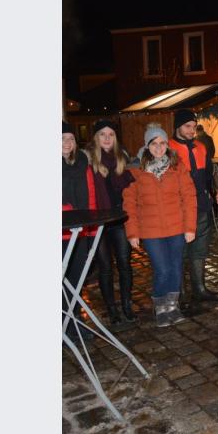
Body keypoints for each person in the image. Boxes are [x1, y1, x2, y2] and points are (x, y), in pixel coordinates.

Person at [123, 124, 197, 327]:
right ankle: (160, 306)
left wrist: (190, 227)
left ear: (167, 144)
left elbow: (189, 197)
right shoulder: (135, 170)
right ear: (147, 146)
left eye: (162, 142)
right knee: (162, 269)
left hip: (176, 227)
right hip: (151, 230)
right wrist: (132, 232)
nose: (159, 147)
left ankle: (172, 307)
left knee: (175, 267)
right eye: (154, 143)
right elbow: (129, 204)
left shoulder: (177, 167)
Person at [168, 109, 218, 307]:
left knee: (199, 250)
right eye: (187, 127)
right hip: (179, 209)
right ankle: (180, 294)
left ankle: (199, 289)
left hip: (201, 205)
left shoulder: (201, 147)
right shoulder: (167, 149)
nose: (192, 130)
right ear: (178, 127)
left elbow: (208, 173)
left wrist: (214, 189)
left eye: (193, 126)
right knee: (180, 252)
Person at [85, 120, 137, 325]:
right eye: (102, 134)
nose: (107, 138)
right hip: (98, 222)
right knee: (105, 267)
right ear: (96, 138)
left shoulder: (121, 158)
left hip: (119, 219)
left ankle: (126, 304)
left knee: (124, 263)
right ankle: (112, 310)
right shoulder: (88, 159)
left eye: (111, 134)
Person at [63, 121, 105, 340]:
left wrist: (90, 230)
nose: (67, 143)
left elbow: (90, 198)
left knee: (77, 279)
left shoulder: (82, 163)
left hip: (79, 233)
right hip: (60, 234)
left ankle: (74, 322)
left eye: (70, 138)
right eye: (62, 138)